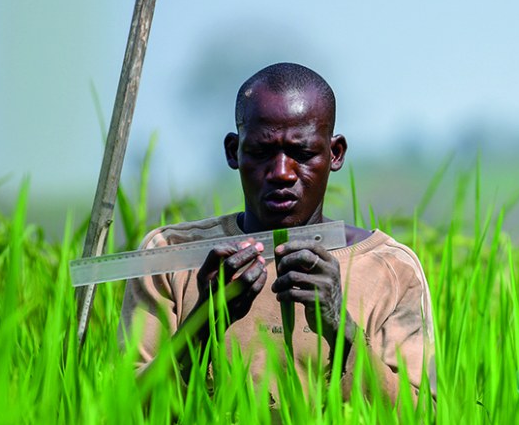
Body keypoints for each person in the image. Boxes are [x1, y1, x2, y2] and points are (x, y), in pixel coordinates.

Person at [121, 62, 435, 406]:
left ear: (335, 153)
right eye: (261, 152)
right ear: (233, 151)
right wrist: (202, 322)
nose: (282, 173)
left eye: (302, 153)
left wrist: (340, 326)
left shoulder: (389, 269)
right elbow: (125, 414)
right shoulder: (171, 256)